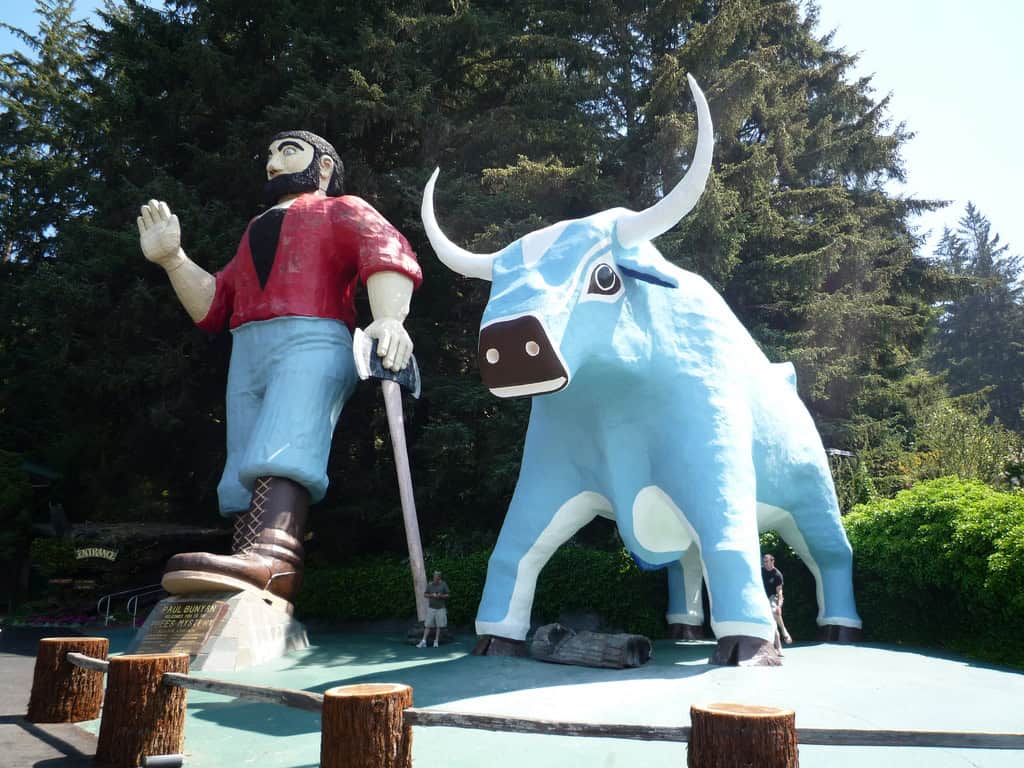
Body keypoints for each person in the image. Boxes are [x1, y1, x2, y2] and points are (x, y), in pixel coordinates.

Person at [137, 130, 422, 613]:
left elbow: (385, 249)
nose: (272, 163)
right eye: (268, 153)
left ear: (325, 167)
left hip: (313, 335)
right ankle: (245, 558)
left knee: (285, 439)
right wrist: (173, 260)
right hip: (248, 345)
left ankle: (274, 557)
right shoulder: (255, 229)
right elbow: (213, 304)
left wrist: (389, 317)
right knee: (244, 455)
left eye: (288, 151)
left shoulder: (340, 208)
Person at [762, 553, 792, 645]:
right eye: (764, 562)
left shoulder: (777, 575)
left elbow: (779, 593)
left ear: (773, 561)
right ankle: (777, 646)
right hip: (762, 596)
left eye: (767, 561)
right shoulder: (760, 570)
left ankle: (783, 630)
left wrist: (779, 606)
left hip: (772, 596)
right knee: (772, 620)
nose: (765, 563)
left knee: (774, 610)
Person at [417, 571, 450, 648]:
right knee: (427, 625)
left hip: (441, 608)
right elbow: (425, 594)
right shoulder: (430, 584)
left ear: (439, 578)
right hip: (431, 608)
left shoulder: (443, 584)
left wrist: (441, 596)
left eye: (436, 577)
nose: (434, 579)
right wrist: (432, 595)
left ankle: (436, 641)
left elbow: (448, 595)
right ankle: (423, 641)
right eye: (434, 577)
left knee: (439, 626)